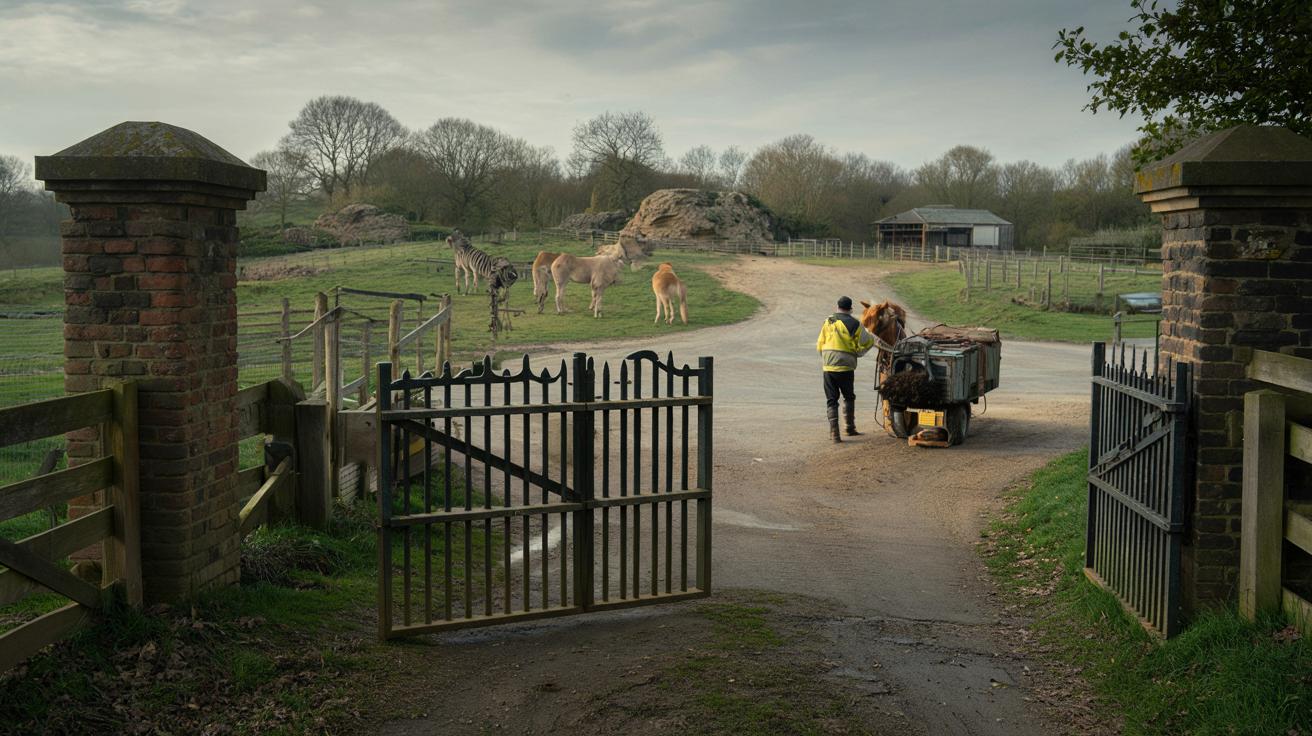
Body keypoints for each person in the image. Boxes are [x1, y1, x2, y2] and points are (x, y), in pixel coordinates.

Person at [815, 295, 876, 443]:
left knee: (831, 400)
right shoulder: (854, 324)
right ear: (850, 309)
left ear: (837, 306)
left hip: (828, 366)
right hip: (846, 366)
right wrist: (859, 352)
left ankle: (834, 434)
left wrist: (826, 358)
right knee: (848, 396)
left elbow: (819, 345)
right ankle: (849, 427)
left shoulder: (828, 321)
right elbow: (867, 341)